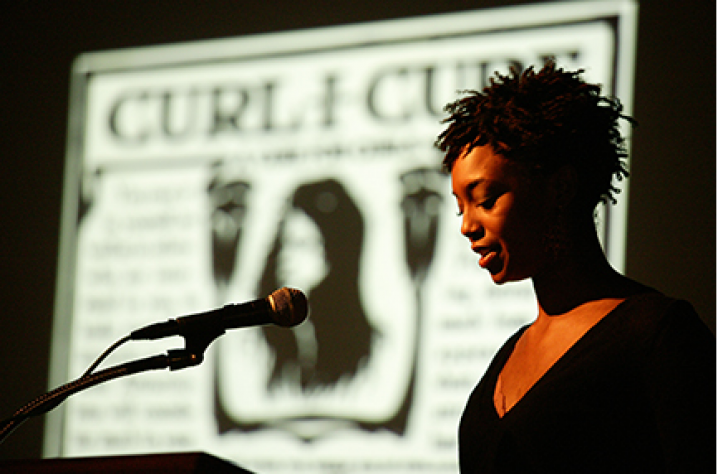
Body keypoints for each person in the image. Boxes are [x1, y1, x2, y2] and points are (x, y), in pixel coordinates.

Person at [435, 61, 717, 473]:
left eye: (486, 199)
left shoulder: (657, 334)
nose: (467, 226)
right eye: (460, 207)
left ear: (560, 188)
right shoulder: (508, 354)